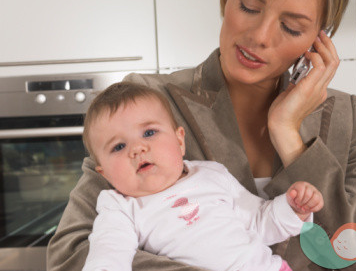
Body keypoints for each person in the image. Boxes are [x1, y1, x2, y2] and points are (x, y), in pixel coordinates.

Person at [48, 0, 356, 270]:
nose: (259, 36)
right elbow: (73, 253)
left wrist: (291, 138)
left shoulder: (345, 116)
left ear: (318, 39)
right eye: (249, 7)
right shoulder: (144, 106)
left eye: (292, 28)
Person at [81, 82, 324, 271]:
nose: (137, 148)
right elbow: (109, 249)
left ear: (179, 140)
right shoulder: (121, 207)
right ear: (104, 173)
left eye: (149, 132)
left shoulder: (210, 174)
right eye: (118, 147)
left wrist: (293, 209)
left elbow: (259, 221)